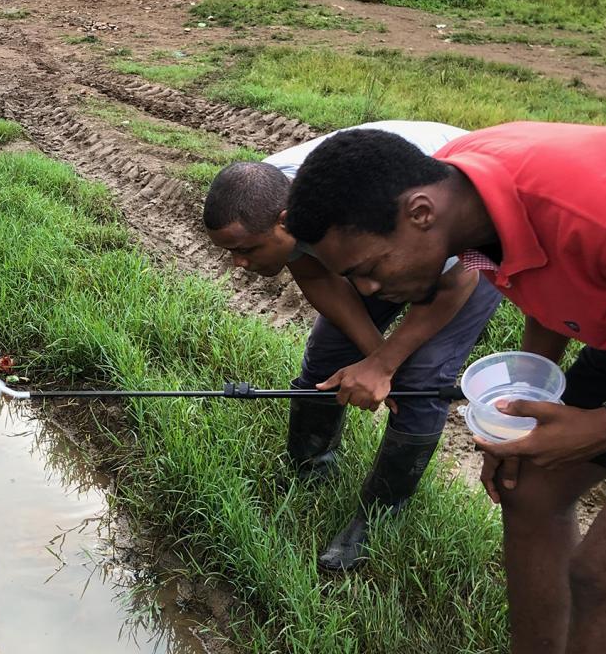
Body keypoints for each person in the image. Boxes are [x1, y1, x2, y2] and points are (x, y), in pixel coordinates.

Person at [283, 122, 606, 653]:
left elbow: (576, 241)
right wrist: (525, 414)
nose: (370, 290)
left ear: (420, 213)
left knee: (604, 576)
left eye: (370, 268)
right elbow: (548, 283)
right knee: (527, 488)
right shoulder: (462, 188)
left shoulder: (604, 219)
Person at [203, 121, 501, 571]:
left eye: (247, 249)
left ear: (285, 223)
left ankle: (378, 517)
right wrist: (372, 354)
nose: (238, 263)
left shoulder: (417, 217)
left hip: (462, 258)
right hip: (377, 232)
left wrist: (387, 365)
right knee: (328, 354)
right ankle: (310, 467)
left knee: (421, 379)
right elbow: (317, 274)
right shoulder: (268, 194)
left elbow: (454, 284)